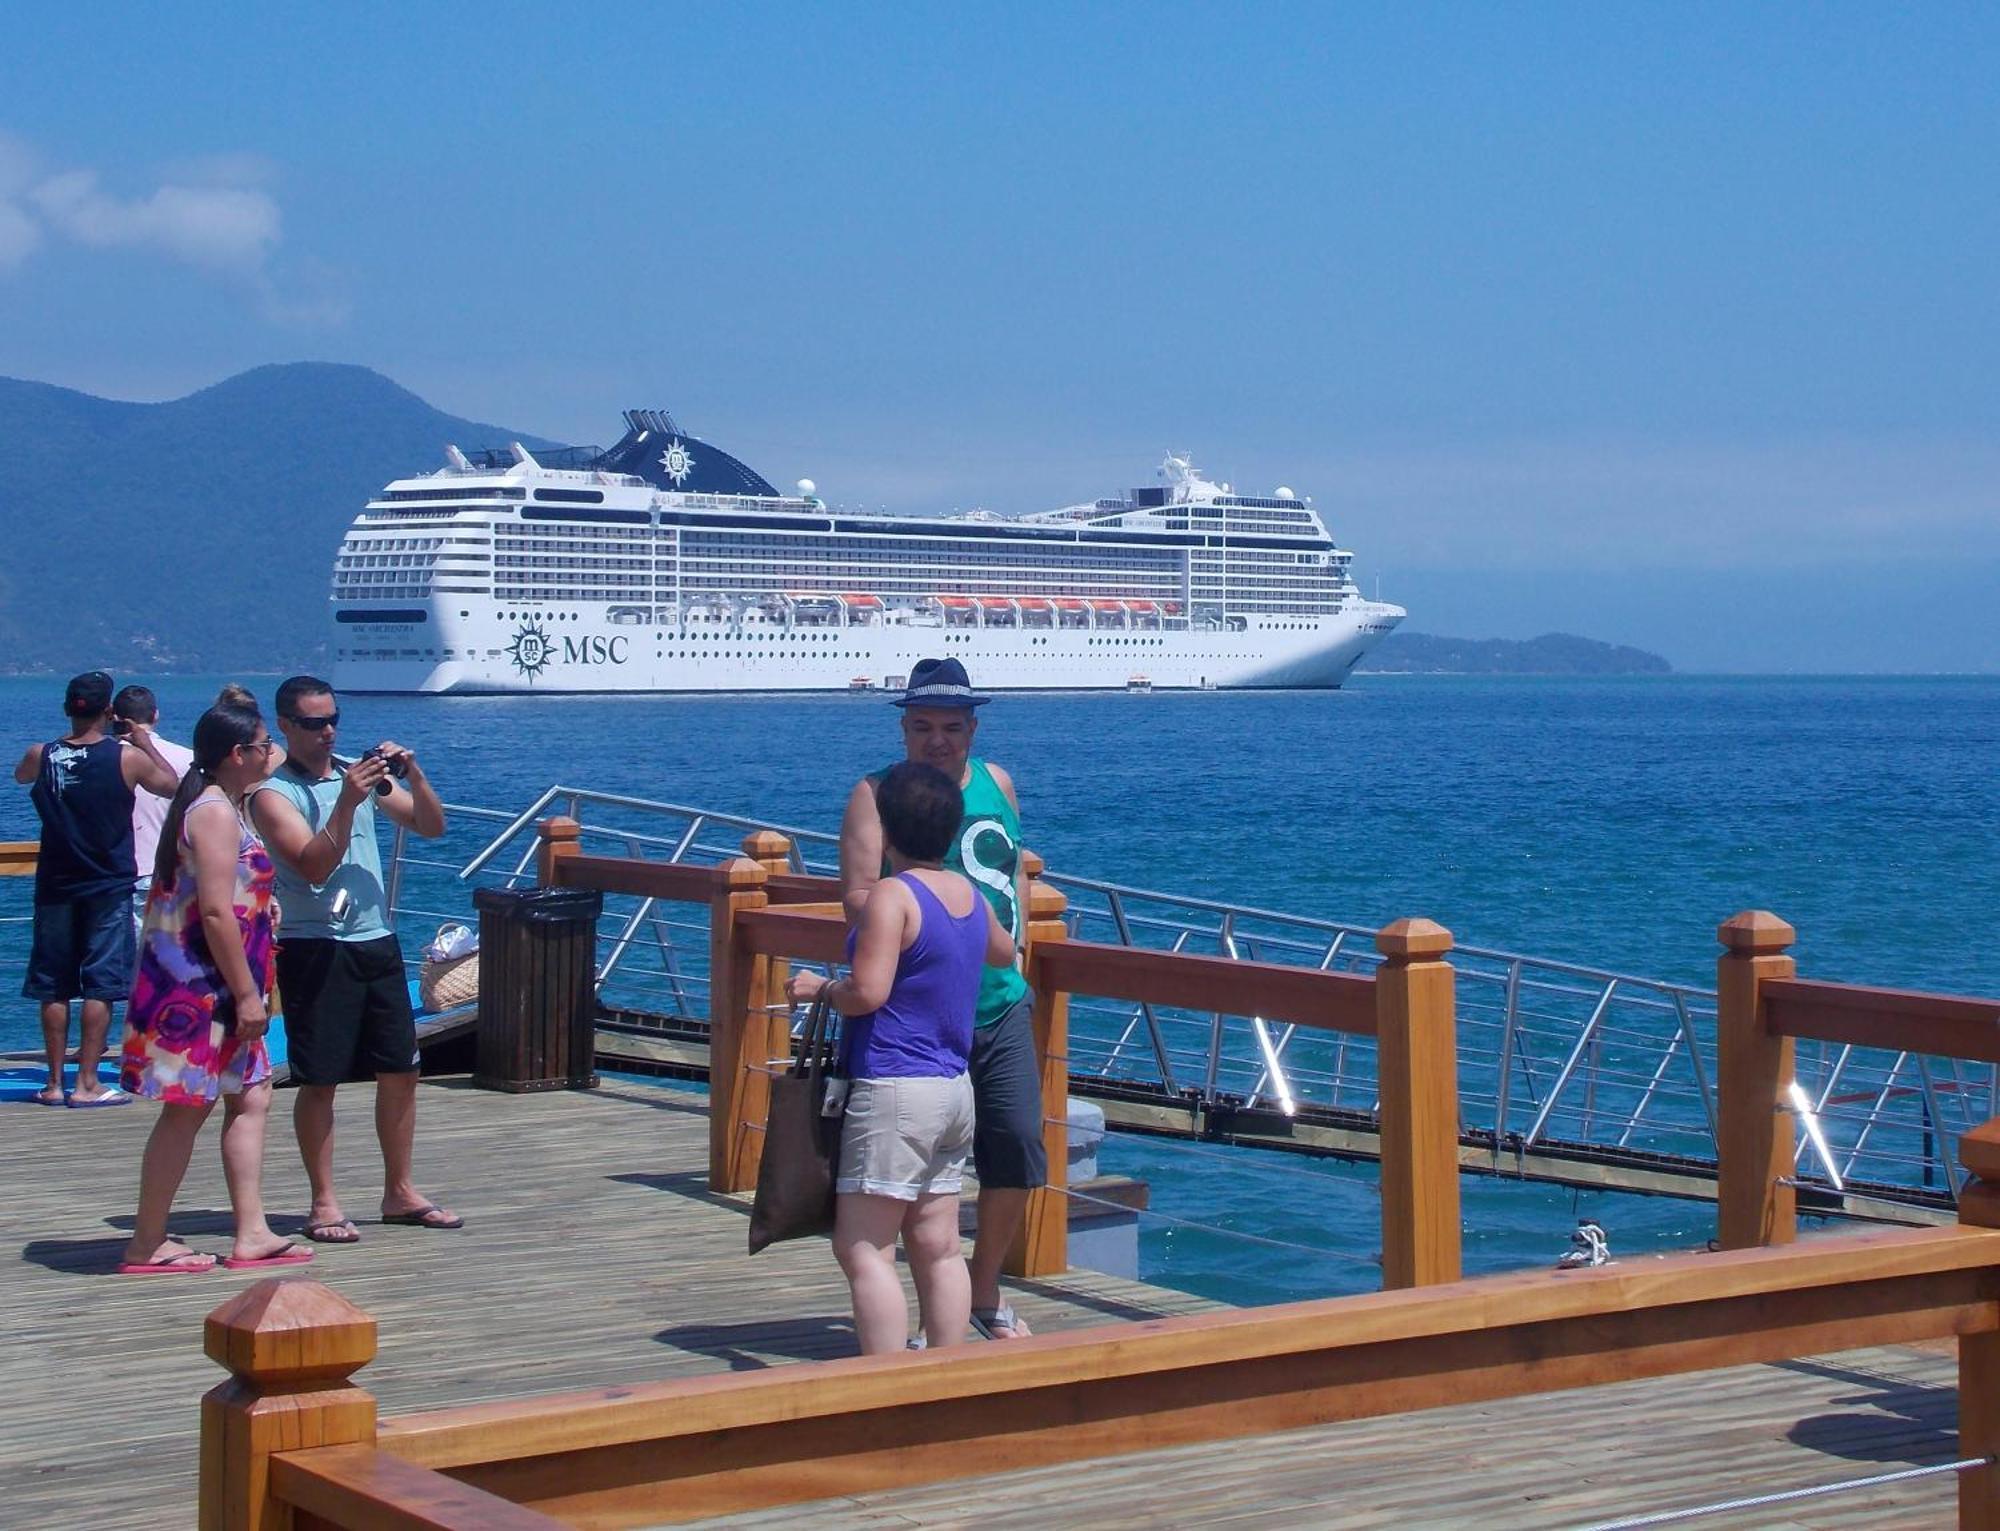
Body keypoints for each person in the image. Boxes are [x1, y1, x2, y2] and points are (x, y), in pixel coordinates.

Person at [837, 656, 1044, 1340]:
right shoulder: (875, 792)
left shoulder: (1000, 783)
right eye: (922, 726)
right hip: (922, 1011)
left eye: (951, 727)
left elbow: (1018, 872)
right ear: (903, 729)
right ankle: (934, 1318)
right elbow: (858, 895)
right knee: (918, 1190)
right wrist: (933, 915)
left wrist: (1021, 946)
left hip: (1000, 999)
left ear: (973, 728)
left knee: (1014, 1143)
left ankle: (983, 1296)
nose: (937, 740)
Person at [789, 762, 1016, 1354]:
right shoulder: (967, 893)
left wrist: (821, 989)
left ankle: (886, 1381)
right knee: (938, 1243)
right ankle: (944, 1370)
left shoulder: (893, 896)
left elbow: (868, 993)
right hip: (953, 1088)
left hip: (895, 1086)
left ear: (886, 833)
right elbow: (1003, 951)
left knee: (864, 1247)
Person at [245, 675, 459, 1244]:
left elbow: (431, 826)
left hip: (375, 940)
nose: (328, 731)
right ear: (287, 726)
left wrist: (412, 775)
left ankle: (400, 1191)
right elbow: (312, 865)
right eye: (314, 723)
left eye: (333, 719)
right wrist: (346, 800)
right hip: (316, 947)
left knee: (403, 1071)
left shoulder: (352, 774)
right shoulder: (274, 794)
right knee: (320, 1079)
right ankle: (323, 1202)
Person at [117, 694, 308, 1273]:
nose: (270, 752)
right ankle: (147, 1241)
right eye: (262, 745)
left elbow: (229, 896)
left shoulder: (220, 804)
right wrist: (248, 995)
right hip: (202, 988)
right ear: (237, 754)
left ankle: (251, 1229)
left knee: (252, 1095)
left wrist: (264, 906)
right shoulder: (214, 811)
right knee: (187, 1108)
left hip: (218, 979)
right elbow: (217, 911)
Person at [13, 670, 179, 1107]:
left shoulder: (41, 755)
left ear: (68, 709)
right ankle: (87, 1083)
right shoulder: (126, 759)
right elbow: (170, 784)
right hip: (107, 884)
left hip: (54, 884)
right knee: (100, 985)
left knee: (54, 985)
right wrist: (141, 740)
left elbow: (19, 776)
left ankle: (52, 1082)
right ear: (110, 712)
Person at [112, 685, 196, 945]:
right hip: (167, 869)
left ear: (114, 718)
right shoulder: (187, 759)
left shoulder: (104, 758)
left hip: (114, 872)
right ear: (155, 715)